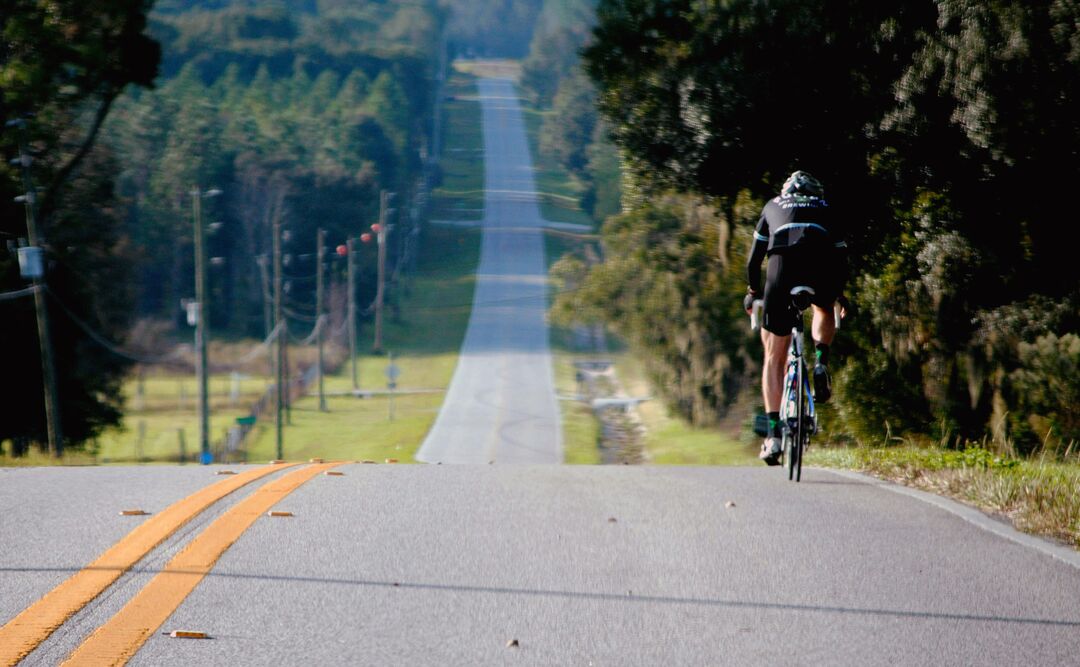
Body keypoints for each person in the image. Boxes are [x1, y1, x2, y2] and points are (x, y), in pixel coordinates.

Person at [743, 170, 848, 466]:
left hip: (781, 269)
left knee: (774, 356)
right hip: (820, 266)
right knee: (823, 308)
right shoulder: (826, 208)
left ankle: (774, 435)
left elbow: (754, 259)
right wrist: (838, 294)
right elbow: (841, 259)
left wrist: (753, 292)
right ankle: (820, 361)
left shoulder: (772, 205)